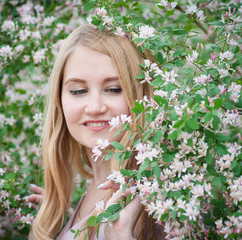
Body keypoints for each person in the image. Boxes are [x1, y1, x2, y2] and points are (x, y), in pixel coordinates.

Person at [27, 25, 165, 240]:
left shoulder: (153, 194)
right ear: (60, 101)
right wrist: (48, 224)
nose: (94, 107)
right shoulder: (93, 190)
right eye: (78, 91)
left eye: (113, 89)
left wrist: (120, 234)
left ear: (142, 96)